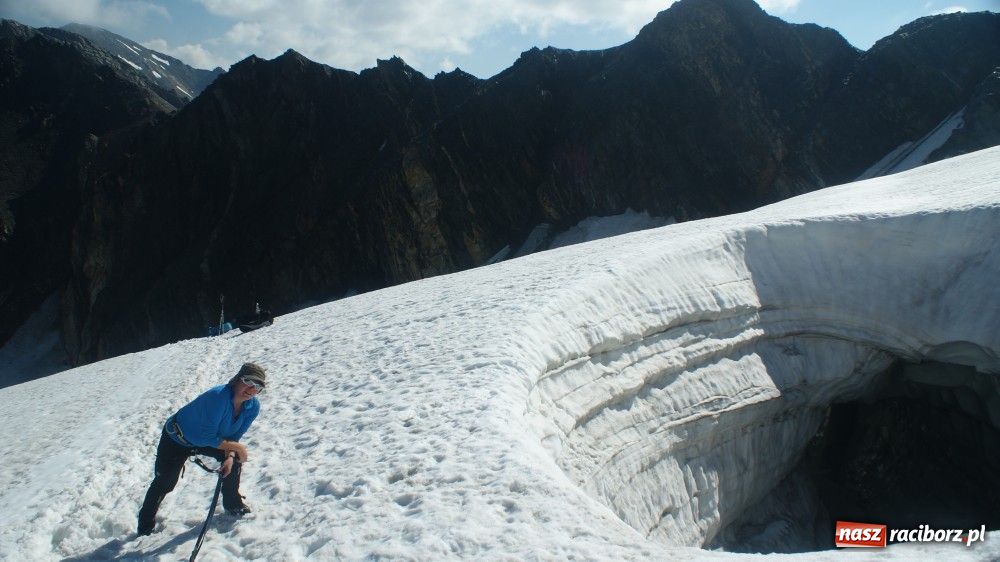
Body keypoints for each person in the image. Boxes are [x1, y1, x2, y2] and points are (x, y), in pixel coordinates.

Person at [137, 362, 266, 535]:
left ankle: (233, 504)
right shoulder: (218, 397)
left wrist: (229, 457)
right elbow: (204, 436)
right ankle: (145, 525)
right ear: (237, 380)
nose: (252, 389)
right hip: (177, 439)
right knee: (165, 481)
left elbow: (233, 437)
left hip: (207, 439)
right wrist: (238, 449)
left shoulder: (252, 407)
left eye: (258, 386)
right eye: (248, 382)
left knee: (233, 462)